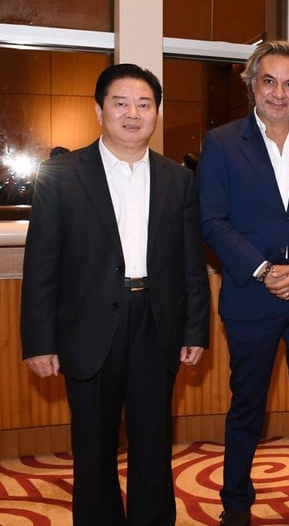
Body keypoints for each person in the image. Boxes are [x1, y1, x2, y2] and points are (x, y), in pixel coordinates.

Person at [20, 63, 210, 525]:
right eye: (120, 103)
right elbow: (41, 264)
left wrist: (196, 329)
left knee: (152, 442)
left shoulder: (178, 179)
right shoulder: (61, 174)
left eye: (144, 104)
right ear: (99, 109)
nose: (133, 113)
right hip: (87, 325)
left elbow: (190, 262)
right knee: (93, 446)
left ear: (156, 113)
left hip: (155, 323)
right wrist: (39, 340)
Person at [197, 41, 289, 526]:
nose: (279, 93)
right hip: (250, 295)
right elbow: (212, 221)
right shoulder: (221, 143)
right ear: (251, 84)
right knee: (247, 405)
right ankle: (235, 504)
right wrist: (263, 270)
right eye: (269, 81)